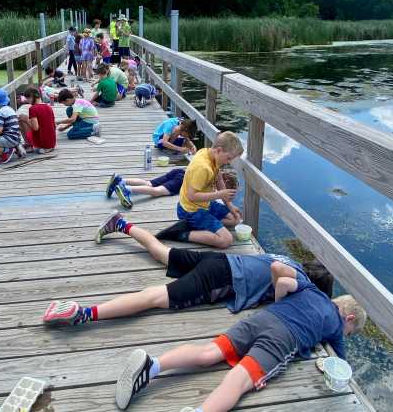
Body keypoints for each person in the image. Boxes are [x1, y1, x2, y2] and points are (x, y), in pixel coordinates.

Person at [42, 210, 335, 328]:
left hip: (222, 261)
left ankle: (122, 224)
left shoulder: (290, 259)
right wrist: (283, 305)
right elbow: (278, 275)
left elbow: (272, 264)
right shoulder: (296, 278)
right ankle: (84, 313)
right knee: (157, 296)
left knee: (160, 252)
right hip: (221, 277)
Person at [114, 290, 366, 411]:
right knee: (240, 379)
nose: (346, 335)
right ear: (349, 318)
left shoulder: (313, 291)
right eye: (350, 331)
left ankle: (153, 364)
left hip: (263, 318)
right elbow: (340, 356)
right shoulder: (335, 325)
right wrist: (341, 364)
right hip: (284, 338)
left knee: (209, 352)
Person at [176, 131, 243, 249]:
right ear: (218, 150)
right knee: (226, 240)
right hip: (191, 211)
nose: (228, 162)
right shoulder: (202, 167)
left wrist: (229, 205)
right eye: (228, 158)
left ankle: (205, 225)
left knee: (235, 218)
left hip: (204, 204)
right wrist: (219, 194)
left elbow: (219, 180)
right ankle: (183, 234)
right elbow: (192, 196)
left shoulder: (210, 154)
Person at [107, 168, 238, 210]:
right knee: (157, 191)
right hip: (182, 181)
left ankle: (121, 180)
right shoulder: (214, 183)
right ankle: (127, 189)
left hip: (180, 171)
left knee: (149, 183)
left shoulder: (212, 170)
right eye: (228, 188)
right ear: (225, 181)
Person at [18, 86, 56, 153]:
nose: (27, 100)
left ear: (32, 97)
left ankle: (30, 145)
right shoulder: (48, 107)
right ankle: (43, 146)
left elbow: (36, 128)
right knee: (25, 119)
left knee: (21, 120)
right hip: (52, 142)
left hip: (42, 143)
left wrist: (26, 120)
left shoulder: (33, 109)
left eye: (27, 98)